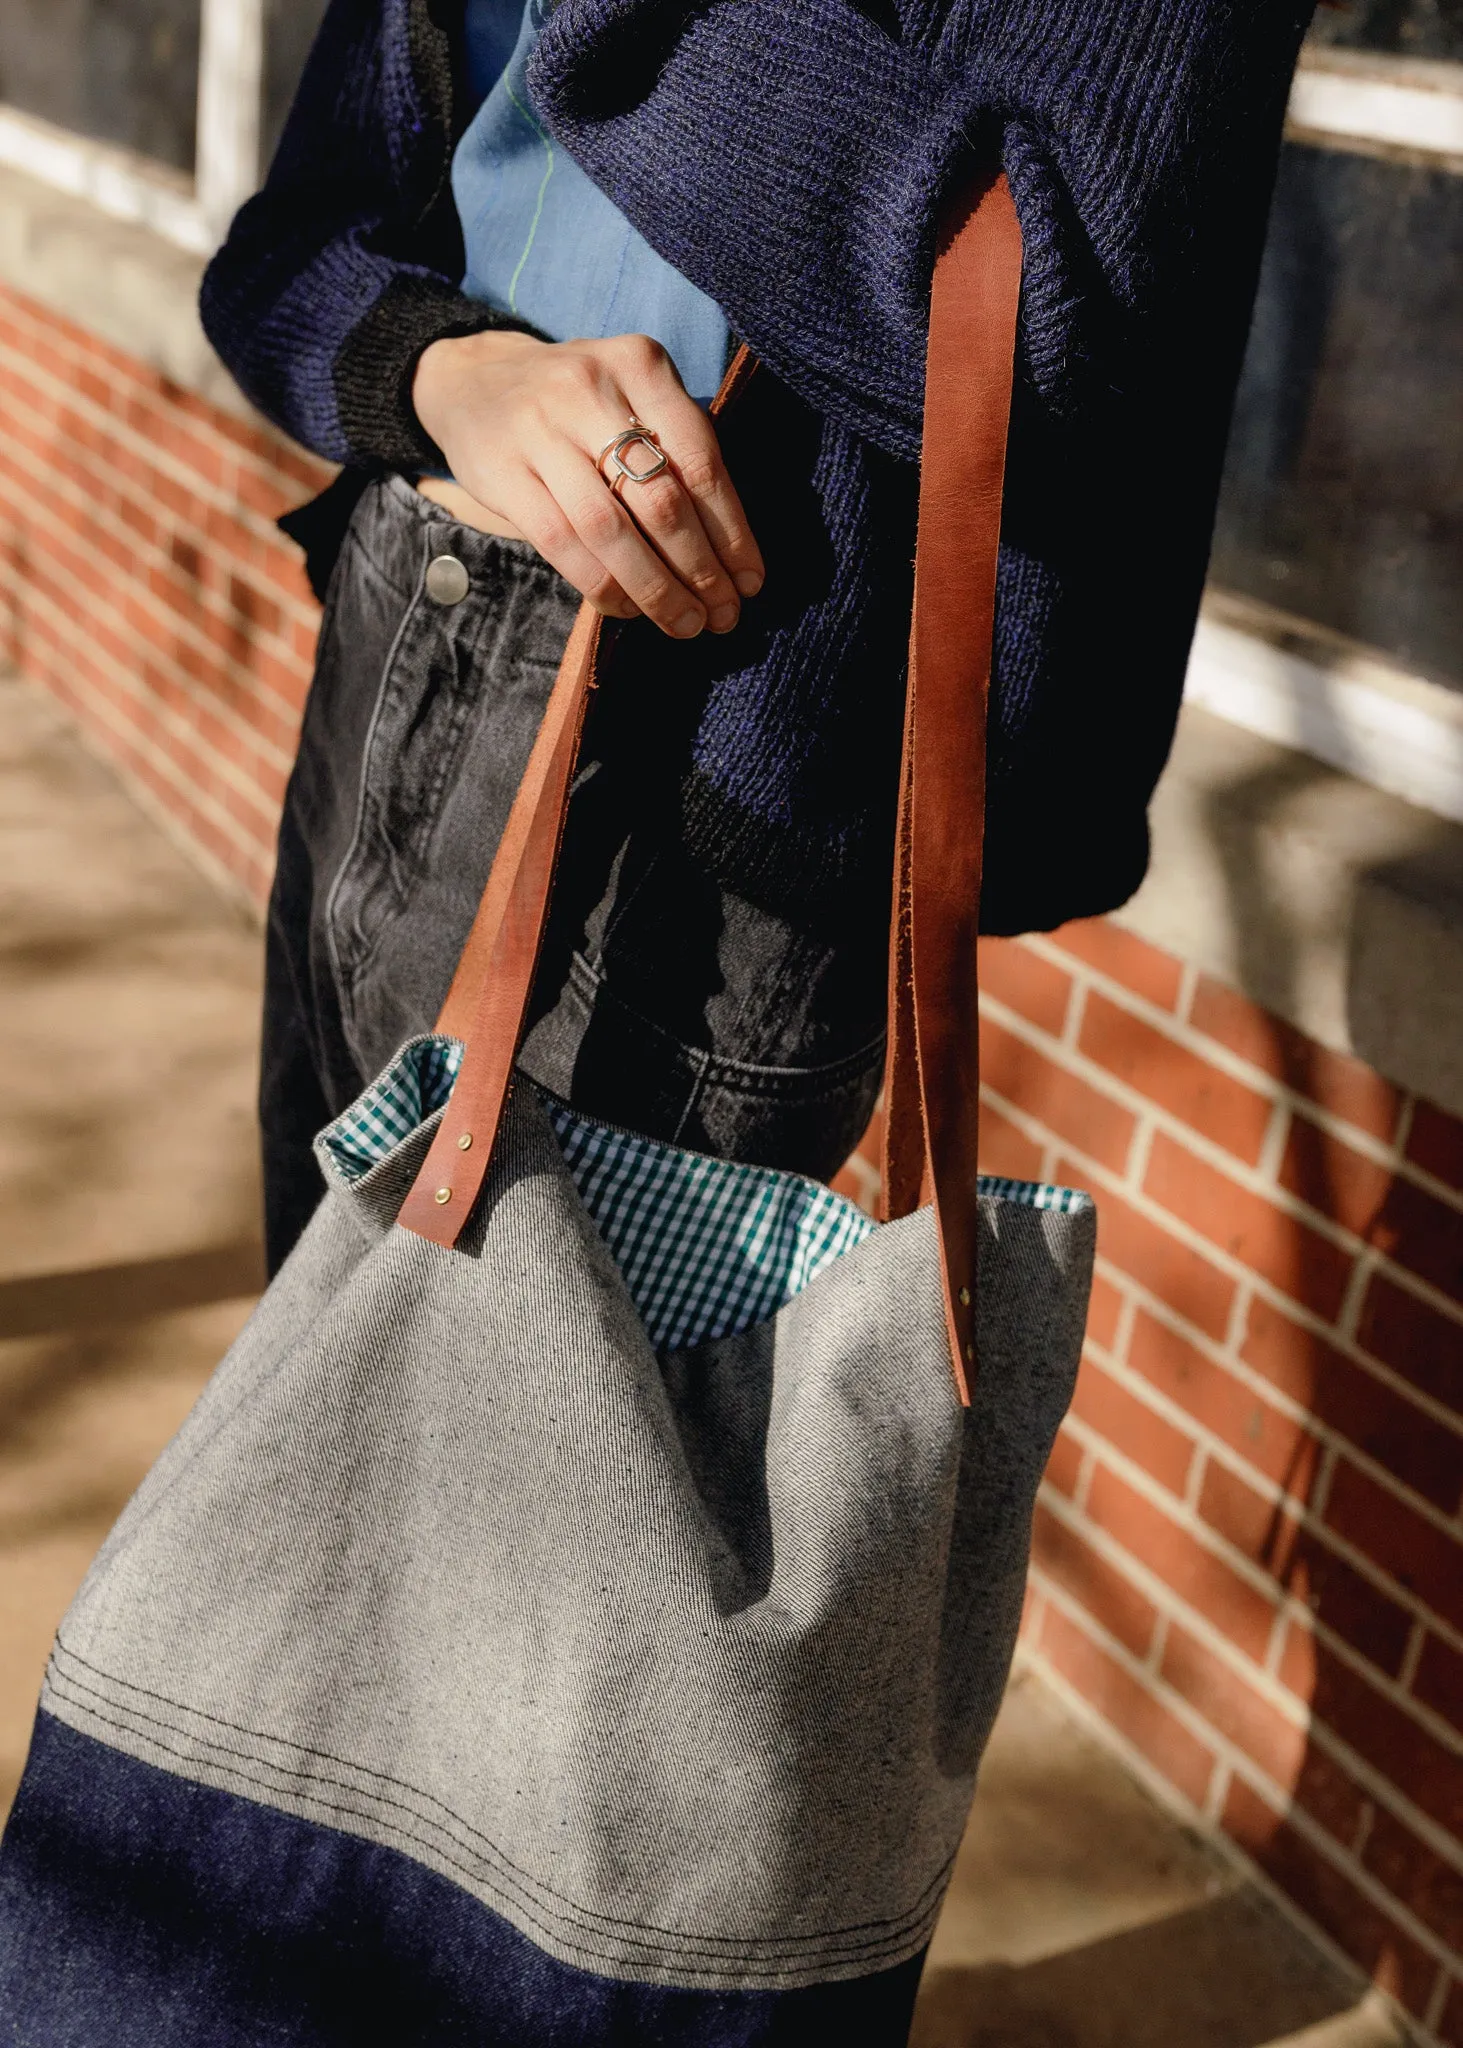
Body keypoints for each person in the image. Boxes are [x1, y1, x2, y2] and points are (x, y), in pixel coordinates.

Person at [200, 0, 1312, 1276]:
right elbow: (283, 251)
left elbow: (1051, 325)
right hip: (393, 629)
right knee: (304, 1380)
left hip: (709, 782)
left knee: (553, 1454)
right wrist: (444, 375)